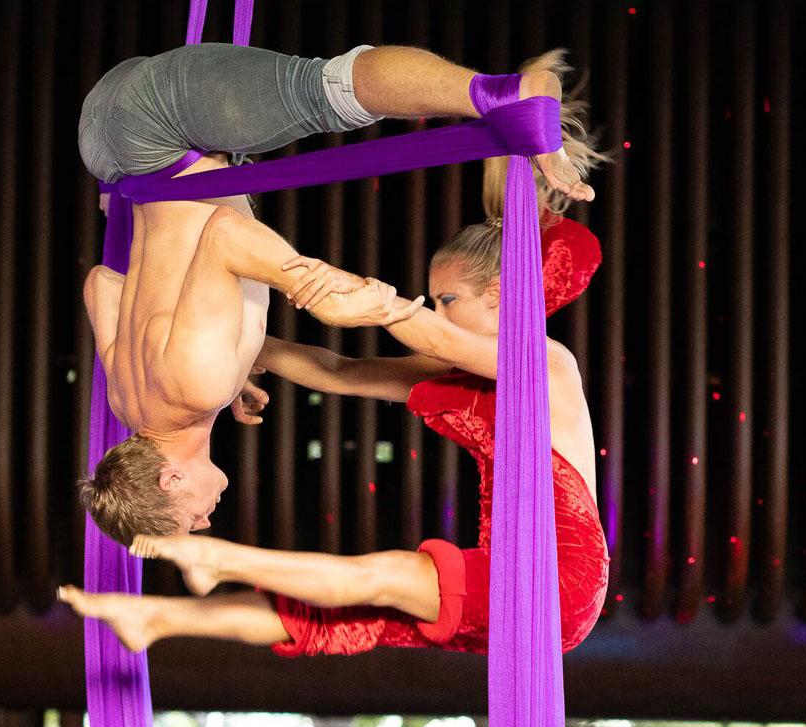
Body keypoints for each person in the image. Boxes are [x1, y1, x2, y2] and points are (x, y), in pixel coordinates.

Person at [77, 42, 598, 540]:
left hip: (161, 126)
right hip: (106, 144)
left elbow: (225, 235)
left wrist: (324, 294)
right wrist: (224, 359)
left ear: (170, 481)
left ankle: (505, 93)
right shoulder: (134, 407)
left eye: (187, 521)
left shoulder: (198, 387)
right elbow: (101, 284)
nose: (204, 522)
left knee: (326, 92)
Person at [59, 208, 610, 658]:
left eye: (446, 300)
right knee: (342, 609)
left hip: (556, 579)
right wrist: (247, 356)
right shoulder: (457, 374)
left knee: (381, 581)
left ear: (498, 291)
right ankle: (162, 616)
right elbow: (338, 372)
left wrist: (365, 300)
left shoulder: (545, 362)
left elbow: (438, 341)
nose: (437, 314)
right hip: (536, 589)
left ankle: (216, 566)